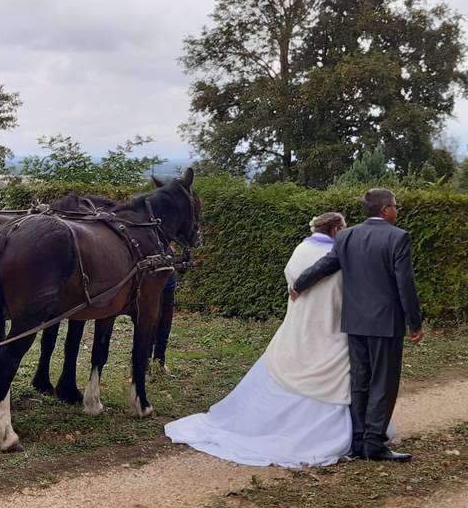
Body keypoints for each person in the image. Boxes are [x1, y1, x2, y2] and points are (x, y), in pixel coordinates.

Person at [165, 212, 353, 467]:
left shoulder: (301, 249)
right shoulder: (336, 255)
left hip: (298, 325)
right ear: (335, 230)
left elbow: (294, 282)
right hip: (329, 325)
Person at [291, 189, 423, 462]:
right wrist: (414, 323)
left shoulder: (347, 236)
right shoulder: (398, 237)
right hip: (386, 323)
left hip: (354, 321)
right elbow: (404, 284)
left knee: (360, 382)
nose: (397, 210)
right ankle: (374, 445)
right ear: (386, 209)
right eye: (395, 206)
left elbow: (326, 265)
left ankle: (358, 441)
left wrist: (299, 284)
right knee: (383, 383)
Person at [148, 272, 177, 375]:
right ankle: (144, 367)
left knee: (165, 325)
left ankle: (160, 363)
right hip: (150, 283)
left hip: (168, 282)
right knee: (149, 326)